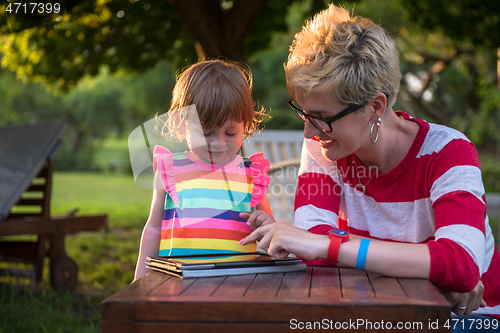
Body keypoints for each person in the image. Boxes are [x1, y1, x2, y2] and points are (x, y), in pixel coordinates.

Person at [240, 4, 500, 330]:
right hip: (382, 313)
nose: (308, 131)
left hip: (471, 321)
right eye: (303, 113)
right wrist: (428, 269)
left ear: (375, 106)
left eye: (322, 118)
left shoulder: (448, 152)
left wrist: (331, 245)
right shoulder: (324, 148)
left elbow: (462, 264)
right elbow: (313, 251)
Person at [134, 59, 274, 281]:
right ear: (182, 123)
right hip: (178, 284)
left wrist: (269, 230)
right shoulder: (171, 169)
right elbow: (153, 229)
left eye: (230, 133)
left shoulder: (251, 175)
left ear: (245, 125)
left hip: (240, 285)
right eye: (206, 133)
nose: (219, 143)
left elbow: (269, 231)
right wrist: (140, 281)